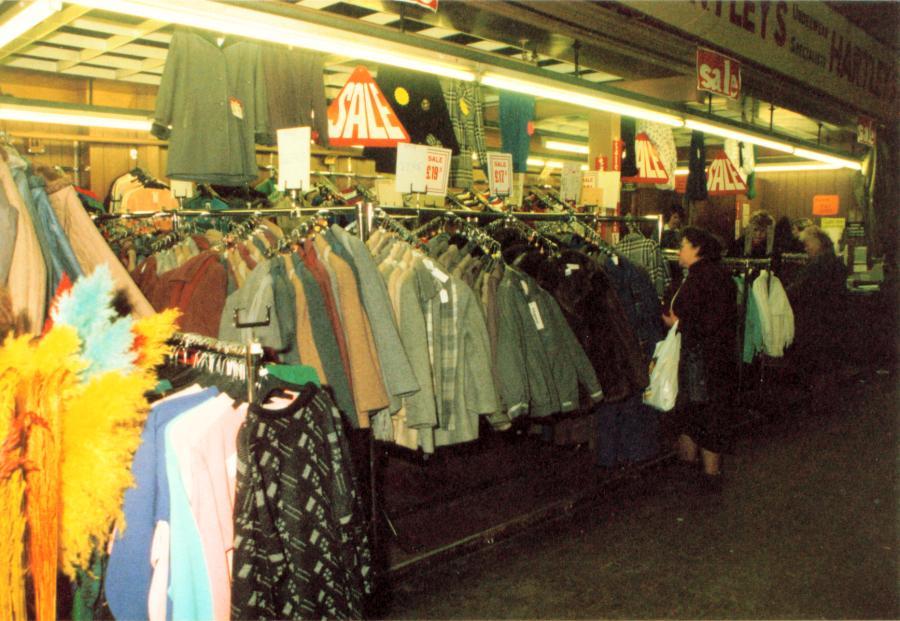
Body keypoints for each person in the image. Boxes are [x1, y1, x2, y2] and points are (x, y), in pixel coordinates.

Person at [662, 226, 737, 491]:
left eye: (683, 245)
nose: (679, 250)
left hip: (700, 359)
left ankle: (704, 472)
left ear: (696, 249)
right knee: (702, 413)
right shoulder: (718, 276)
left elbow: (707, 321)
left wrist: (677, 324)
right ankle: (707, 473)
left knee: (699, 413)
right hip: (714, 359)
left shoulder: (701, 278)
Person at [786, 225, 847, 381]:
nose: (806, 248)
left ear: (818, 242)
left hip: (815, 321)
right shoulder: (835, 261)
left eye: (807, 243)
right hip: (831, 321)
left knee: (815, 367)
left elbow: (799, 290)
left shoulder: (817, 264)